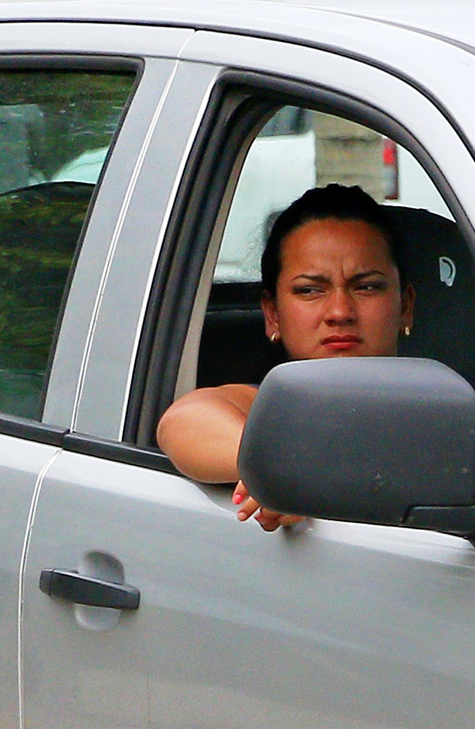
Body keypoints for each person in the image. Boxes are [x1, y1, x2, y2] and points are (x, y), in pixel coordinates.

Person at [157, 183, 410, 529]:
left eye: (366, 286)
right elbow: (184, 420)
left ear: (406, 306)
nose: (339, 311)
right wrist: (281, 466)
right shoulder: (266, 407)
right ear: (272, 313)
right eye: (309, 290)